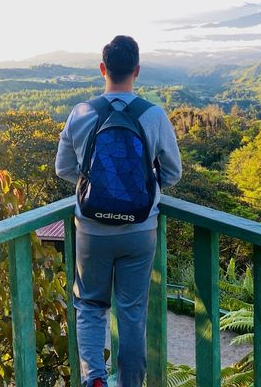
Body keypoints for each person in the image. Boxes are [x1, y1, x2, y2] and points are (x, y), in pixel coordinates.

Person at [55, 35, 182, 387]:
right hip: (140, 230)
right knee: (131, 312)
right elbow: (172, 174)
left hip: (91, 229)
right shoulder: (154, 115)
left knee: (91, 307)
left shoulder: (81, 113)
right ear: (137, 71)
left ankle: (94, 379)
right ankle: (130, 383)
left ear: (102, 69)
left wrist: (96, 185)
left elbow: (63, 169)